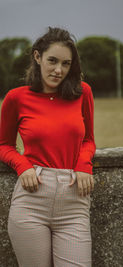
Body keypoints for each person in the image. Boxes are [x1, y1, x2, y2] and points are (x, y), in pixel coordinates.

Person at [0, 26, 96, 267]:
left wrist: (84, 164)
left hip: (74, 201)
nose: (58, 70)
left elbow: (88, 140)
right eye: (52, 60)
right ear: (37, 56)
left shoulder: (82, 93)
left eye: (66, 63)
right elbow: (3, 144)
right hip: (31, 201)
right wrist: (23, 166)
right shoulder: (16, 97)